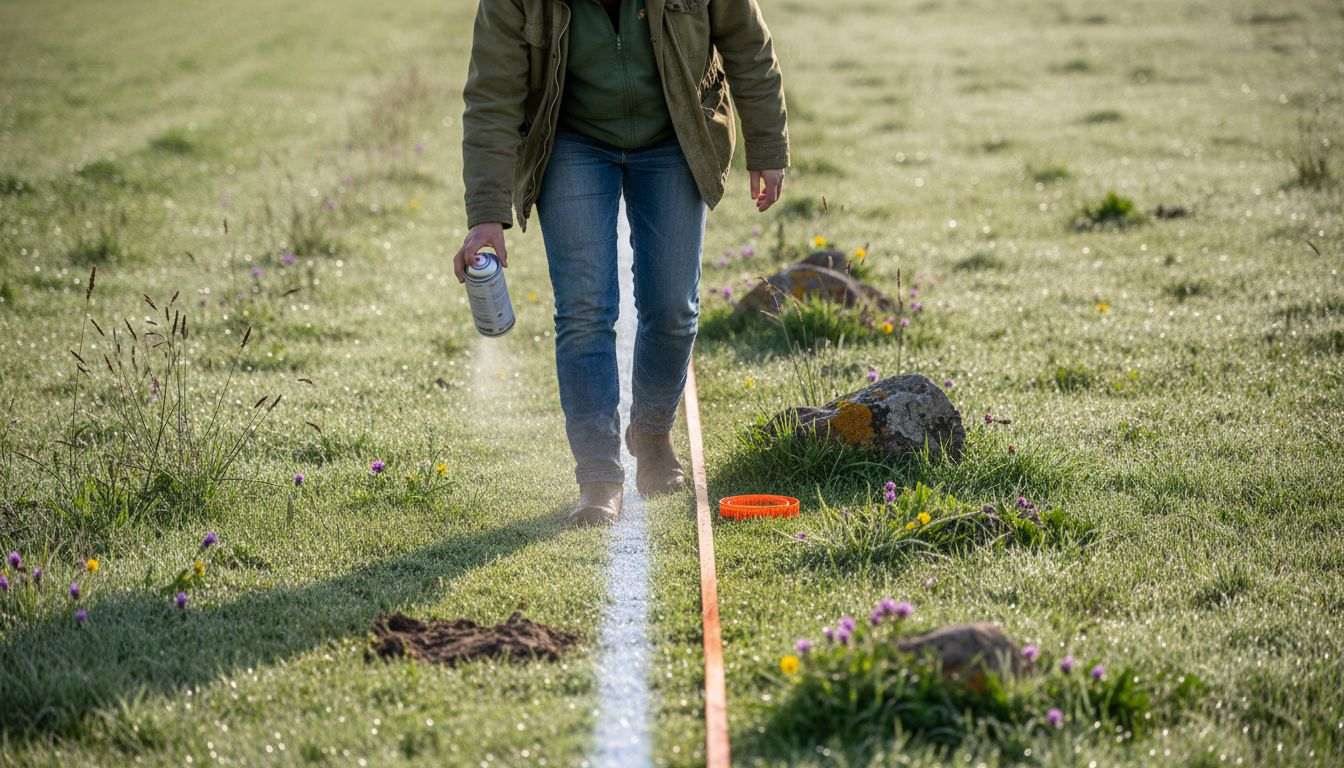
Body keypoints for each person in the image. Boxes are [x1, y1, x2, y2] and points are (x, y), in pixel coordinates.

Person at [455, 0, 789, 524]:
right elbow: (493, 95)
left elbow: (748, 46)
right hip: (571, 141)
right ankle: (599, 478)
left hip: (677, 136)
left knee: (673, 306)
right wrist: (486, 216)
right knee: (584, 309)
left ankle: (651, 434)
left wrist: (767, 147)